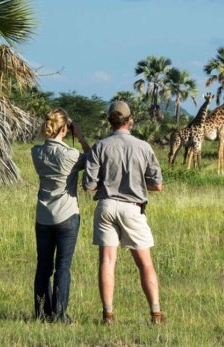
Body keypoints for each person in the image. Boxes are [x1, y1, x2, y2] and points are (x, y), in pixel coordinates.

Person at [82, 101, 165, 325]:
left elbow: (89, 185)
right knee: (145, 263)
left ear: (110, 120)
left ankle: (108, 315)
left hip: (106, 206)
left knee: (107, 261)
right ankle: (156, 314)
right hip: (133, 208)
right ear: (130, 120)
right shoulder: (144, 147)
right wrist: (136, 186)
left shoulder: (100, 146)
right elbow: (157, 185)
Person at [30, 108, 90, 324]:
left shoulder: (36, 152)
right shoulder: (71, 155)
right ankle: (59, 315)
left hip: (43, 216)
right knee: (62, 268)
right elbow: (91, 159)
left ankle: (41, 313)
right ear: (66, 128)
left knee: (43, 267)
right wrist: (80, 136)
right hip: (66, 216)